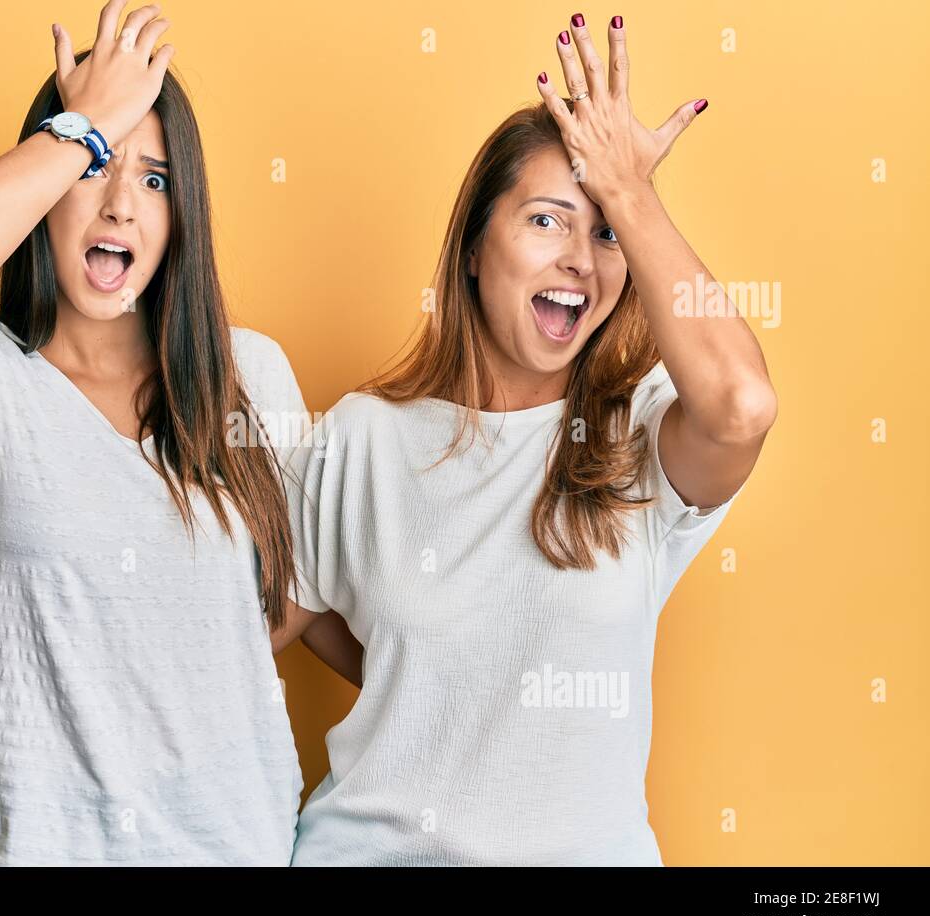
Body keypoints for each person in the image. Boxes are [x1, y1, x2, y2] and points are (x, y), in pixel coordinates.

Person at [274, 13, 776, 865]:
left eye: (606, 232)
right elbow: (230, 632)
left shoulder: (639, 435)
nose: (582, 258)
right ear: (473, 249)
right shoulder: (362, 441)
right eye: (548, 220)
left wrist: (632, 191)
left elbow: (742, 404)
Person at [0, 1, 347, 866]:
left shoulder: (250, 374)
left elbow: (286, 596)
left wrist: (91, 636)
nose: (121, 205)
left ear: (181, 216)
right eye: (97, 169)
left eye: (156, 180)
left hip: (224, 843)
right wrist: (80, 126)